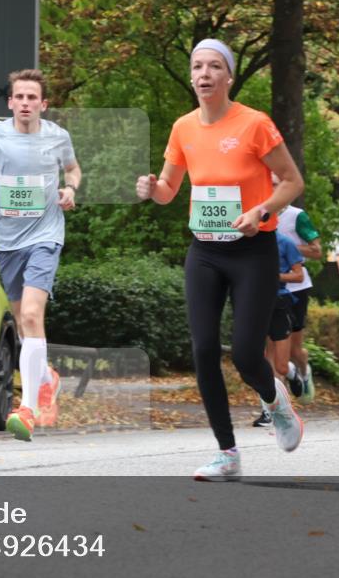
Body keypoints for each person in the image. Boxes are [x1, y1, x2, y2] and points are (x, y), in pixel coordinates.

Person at [136, 38, 305, 481]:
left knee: (249, 355)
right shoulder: (183, 128)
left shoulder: (254, 124)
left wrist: (261, 211)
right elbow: (169, 191)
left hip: (253, 251)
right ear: (191, 76)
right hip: (206, 251)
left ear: (228, 76)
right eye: (197, 66)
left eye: (214, 66)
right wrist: (152, 189)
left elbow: (291, 181)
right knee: (204, 349)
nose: (205, 74)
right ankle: (227, 453)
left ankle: (276, 402)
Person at [0, 69, 81, 442]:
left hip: (45, 236)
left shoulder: (58, 137)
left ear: (43, 104)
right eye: (19, 97)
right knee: (21, 321)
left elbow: (73, 170)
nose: (26, 103)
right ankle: (46, 377)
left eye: (33, 98)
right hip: (6, 241)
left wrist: (70, 189)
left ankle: (27, 408)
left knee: (30, 314)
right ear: (10, 102)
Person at [256, 233, 305, 427]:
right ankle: (268, 412)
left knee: (281, 366)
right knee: (262, 361)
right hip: (256, 303)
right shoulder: (248, 241)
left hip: (279, 304)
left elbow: (299, 275)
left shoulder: (285, 242)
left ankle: (292, 373)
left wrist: (275, 276)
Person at [278, 202, 323, 404]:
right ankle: (277, 402)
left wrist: (285, 245)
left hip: (296, 286)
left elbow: (316, 251)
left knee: (294, 350)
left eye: (275, 184)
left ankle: (303, 372)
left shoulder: (297, 216)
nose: (270, 187)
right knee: (271, 348)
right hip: (270, 286)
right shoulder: (258, 210)